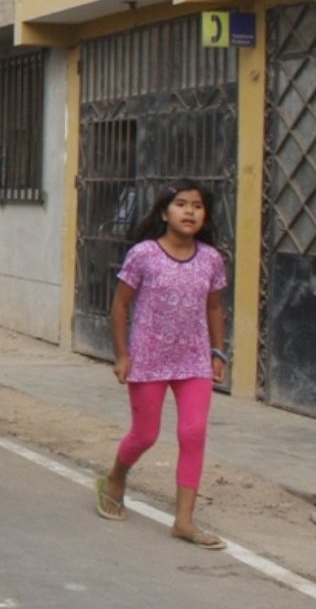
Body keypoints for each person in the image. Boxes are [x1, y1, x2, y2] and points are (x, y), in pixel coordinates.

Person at [95, 182, 229, 550]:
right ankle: (115, 478)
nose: (190, 212)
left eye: (197, 206)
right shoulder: (144, 255)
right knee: (145, 434)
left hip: (194, 360)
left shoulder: (211, 259)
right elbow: (121, 306)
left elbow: (215, 308)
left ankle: (184, 521)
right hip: (148, 358)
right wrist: (122, 355)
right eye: (181, 204)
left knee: (193, 432)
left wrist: (218, 353)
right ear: (164, 213)